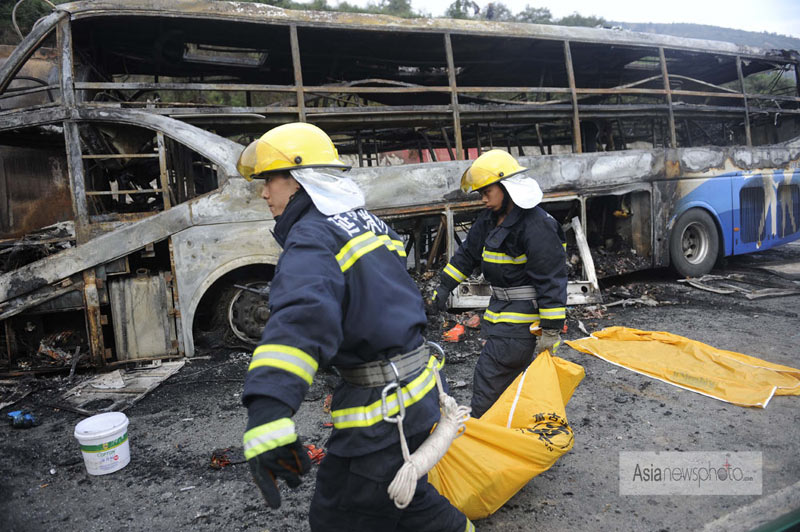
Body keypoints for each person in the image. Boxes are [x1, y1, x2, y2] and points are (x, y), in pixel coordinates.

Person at [236, 122, 473, 532]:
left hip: (380, 413)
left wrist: (269, 410)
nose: (264, 193)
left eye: (269, 180)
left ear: (297, 179)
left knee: (360, 512)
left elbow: (301, 317)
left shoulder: (313, 236)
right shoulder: (368, 222)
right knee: (374, 504)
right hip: (419, 390)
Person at [428, 149, 568, 418]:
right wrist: (443, 287)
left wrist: (551, 330)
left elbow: (552, 279)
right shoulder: (490, 220)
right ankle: (516, 432)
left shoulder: (536, 225)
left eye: (486, 192)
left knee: (489, 380)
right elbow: (467, 255)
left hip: (522, 321)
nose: (483, 200)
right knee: (513, 383)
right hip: (500, 314)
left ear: (505, 187)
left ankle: (484, 437)